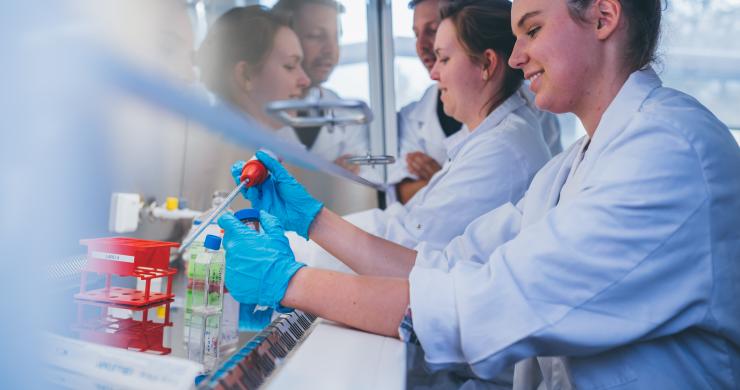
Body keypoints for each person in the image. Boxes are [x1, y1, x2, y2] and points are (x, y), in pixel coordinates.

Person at [219, 0, 740, 387]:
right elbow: (448, 264)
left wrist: (288, 282)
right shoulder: (574, 165)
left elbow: (482, 305)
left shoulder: (667, 154)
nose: (517, 57)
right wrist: (315, 222)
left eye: (532, 29)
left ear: (603, 17)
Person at [237, 0, 550, 273]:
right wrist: (299, 233)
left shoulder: (501, 152)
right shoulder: (489, 139)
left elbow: (407, 243)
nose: (433, 73)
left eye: (444, 58)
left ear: (487, 64)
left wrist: (301, 236)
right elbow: (401, 219)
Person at [390, 0, 563, 204]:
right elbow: (397, 189)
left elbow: (548, 187)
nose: (420, 46)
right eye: (416, 34)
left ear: (487, 62)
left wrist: (443, 183)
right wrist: (444, 182)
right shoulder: (418, 114)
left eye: (433, 30)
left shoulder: (508, 139)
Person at [272, 0, 370, 173]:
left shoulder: (348, 114)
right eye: (316, 36)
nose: (331, 50)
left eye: (337, 37)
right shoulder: (255, 114)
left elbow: (368, 182)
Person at [196, 6, 310, 144]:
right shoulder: (221, 148)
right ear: (245, 75)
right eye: (290, 66)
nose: (306, 81)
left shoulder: (280, 133)